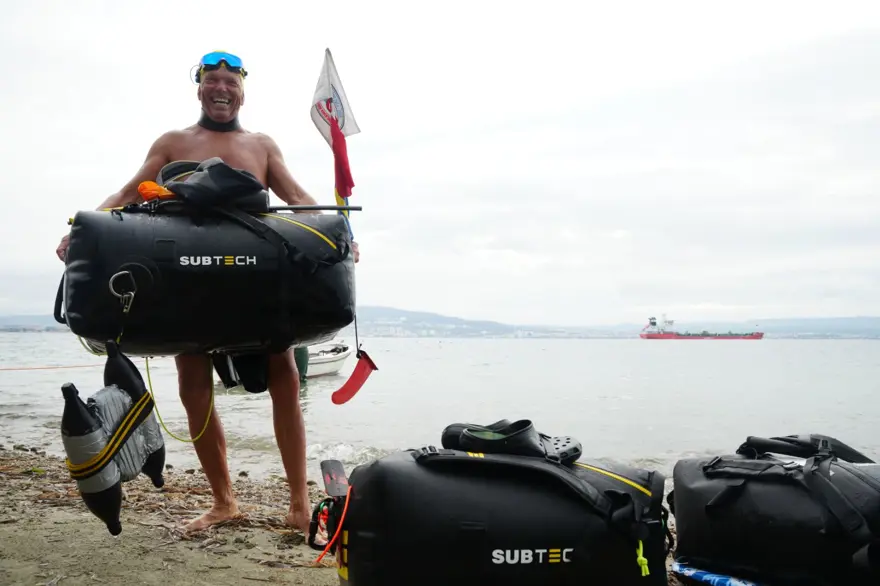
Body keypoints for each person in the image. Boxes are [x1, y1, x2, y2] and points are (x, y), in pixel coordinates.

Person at [55, 50, 360, 534]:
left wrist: (337, 241)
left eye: (230, 82)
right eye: (212, 81)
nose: (221, 89)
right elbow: (129, 193)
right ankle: (223, 501)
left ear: (242, 92)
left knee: (284, 379)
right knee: (193, 385)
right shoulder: (173, 142)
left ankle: (299, 504)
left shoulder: (261, 145)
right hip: (187, 282)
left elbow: (300, 200)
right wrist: (79, 232)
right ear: (199, 89)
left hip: (254, 280)